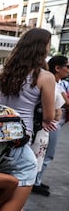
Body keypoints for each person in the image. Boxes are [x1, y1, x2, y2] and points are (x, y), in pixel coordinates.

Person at [0, 28, 57, 211]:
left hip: (1, 132)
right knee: (24, 180)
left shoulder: (9, 71)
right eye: (49, 43)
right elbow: (50, 115)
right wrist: (47, 117)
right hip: (22, 135)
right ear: (42, 47)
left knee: (6, 178)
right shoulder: (45, 76)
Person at [31, 55, 68, 196]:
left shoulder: (54, 82)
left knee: (43, 152)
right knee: (45, 153)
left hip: (47, 122)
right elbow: (56, 109)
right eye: (67, 66)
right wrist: (54, 117)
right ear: (57, 68)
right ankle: (35, 181)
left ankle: (37, 180)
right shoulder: (50, 81)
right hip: (50, 122)